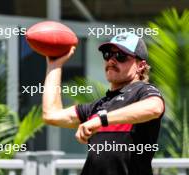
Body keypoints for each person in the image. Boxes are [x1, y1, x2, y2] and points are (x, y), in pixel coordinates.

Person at [42, 32, 165, 175]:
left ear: (140, 65)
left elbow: (154, 108)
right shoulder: (97, 106)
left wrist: (101, 120)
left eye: (120, 56)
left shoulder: (143, 91)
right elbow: (51, 115)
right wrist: (54, 66)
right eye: (108, 54)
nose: (111, 61)